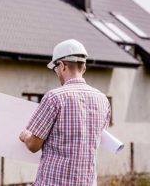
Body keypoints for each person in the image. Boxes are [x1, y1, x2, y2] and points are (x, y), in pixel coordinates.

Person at [19, 39, 111, 186]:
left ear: (62, 66)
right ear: (84, 68)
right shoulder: (103, 100)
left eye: (55, 69)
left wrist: (25, 136)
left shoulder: (54, 98)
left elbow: (33, 146)